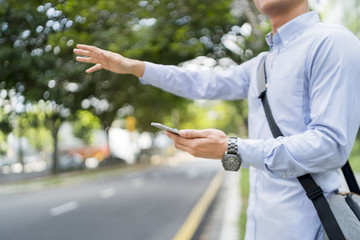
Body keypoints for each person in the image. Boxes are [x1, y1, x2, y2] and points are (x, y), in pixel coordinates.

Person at [74, 0, 360, 239]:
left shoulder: (332, 41)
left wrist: (232, 148)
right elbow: (204, 82)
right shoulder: (262, 64)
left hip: (315, 227)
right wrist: (137, 67)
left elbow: (330, 145)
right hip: (261, 228)